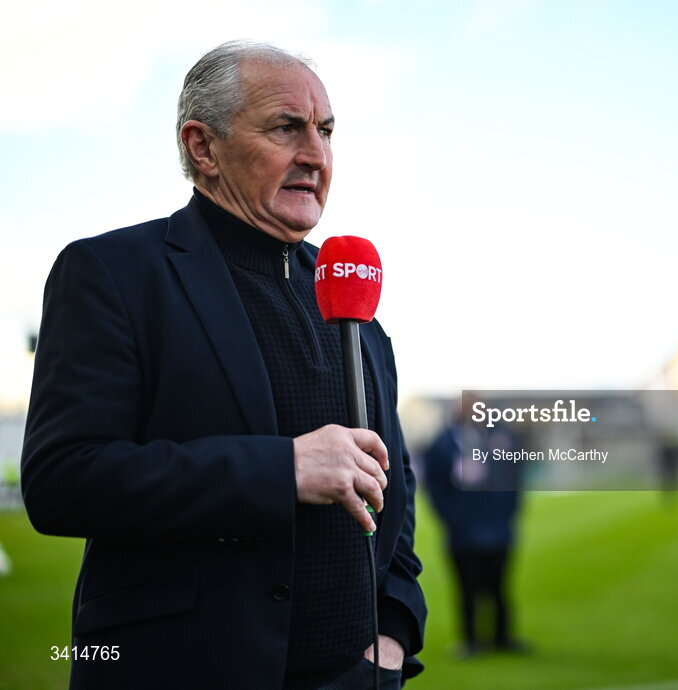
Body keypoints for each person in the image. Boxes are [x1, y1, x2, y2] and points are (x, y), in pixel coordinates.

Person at [21, 41, 425, 690]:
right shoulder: (114, 274)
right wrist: (282, 468)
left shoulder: (352, 297)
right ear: (202, 147)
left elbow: (391, 482)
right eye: (286, 127)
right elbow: (62, 480)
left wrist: (394, 631)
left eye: (324, 131)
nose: (316, 155)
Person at [421, 401, 526, 657]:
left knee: (499, 586)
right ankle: (470, 641)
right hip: (463, 529)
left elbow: (513, 476)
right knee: (466, 587)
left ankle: (502, 638)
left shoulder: (500, 436)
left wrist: (508, 512)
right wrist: (451, 516)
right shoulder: (442, 444)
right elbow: (433, 485)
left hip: (497, 525)